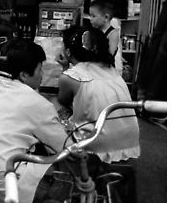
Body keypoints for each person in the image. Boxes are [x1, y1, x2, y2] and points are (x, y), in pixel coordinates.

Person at [0, 39, 70, 203]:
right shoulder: (36, 103)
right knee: (72, 166)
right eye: (40, 69)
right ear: (24, 75)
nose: (42, 75)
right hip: (16, 196)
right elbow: (65, 146)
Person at [56, 26, 140, 163]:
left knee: (54, 106)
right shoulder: (110, 69)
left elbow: (63, 101)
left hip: (95, 146)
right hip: (129, 143)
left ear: (68, 52)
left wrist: (64, 67)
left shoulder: (70, 76)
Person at [89, 0, 123, 75]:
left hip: (106, 71)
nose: (90, 19)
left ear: (106, 17)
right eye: (90, 15)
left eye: (93, 16)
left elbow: (109, 55)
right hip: (93, 69)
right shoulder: (93, 31)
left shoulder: (113, 34)